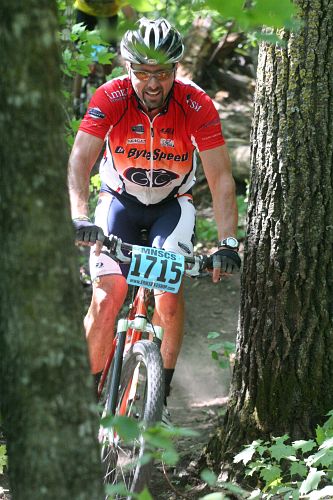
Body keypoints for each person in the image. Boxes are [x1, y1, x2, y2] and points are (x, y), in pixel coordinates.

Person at [68, 17, 241, 417]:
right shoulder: (110, 97)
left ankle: (157, 398)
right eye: (142, 73)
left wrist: (228, 243)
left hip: (172, 206)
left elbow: (220, 178)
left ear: (176, 70)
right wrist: (80, 216)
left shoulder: (195, 104)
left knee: (169, 301)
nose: (151, 84)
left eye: (162, 73)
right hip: (119, 203)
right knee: (108, 295)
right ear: (128, 68)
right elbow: (80, 161)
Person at [73, 0, 136, 116]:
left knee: (108, 58)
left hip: (109, 16)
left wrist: (134, 32)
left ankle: (109, 97)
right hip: (85, 12)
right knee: (82, 59)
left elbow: (129, 14)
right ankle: (76, 102)